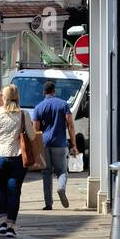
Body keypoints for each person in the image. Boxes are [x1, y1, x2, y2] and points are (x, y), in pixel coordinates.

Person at [0, 89, 37, 237]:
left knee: (1, 188)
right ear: (18, 97)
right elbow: (32, 136)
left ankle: (3, 222)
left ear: (4, 97)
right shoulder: (23, 114)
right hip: (16, 156)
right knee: (14, 191)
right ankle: (11, 226)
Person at [33, 81, 78, 209]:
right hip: (60, 143)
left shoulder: (38, 107)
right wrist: (73, 145)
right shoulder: (63, 105)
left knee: (46, 173)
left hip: (44, 144)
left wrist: (36, 148)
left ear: (44, 92)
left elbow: (35, 129)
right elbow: (70, 124)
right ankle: (61, 187)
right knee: (62, 171)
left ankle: (48, 204)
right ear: (54, 91)